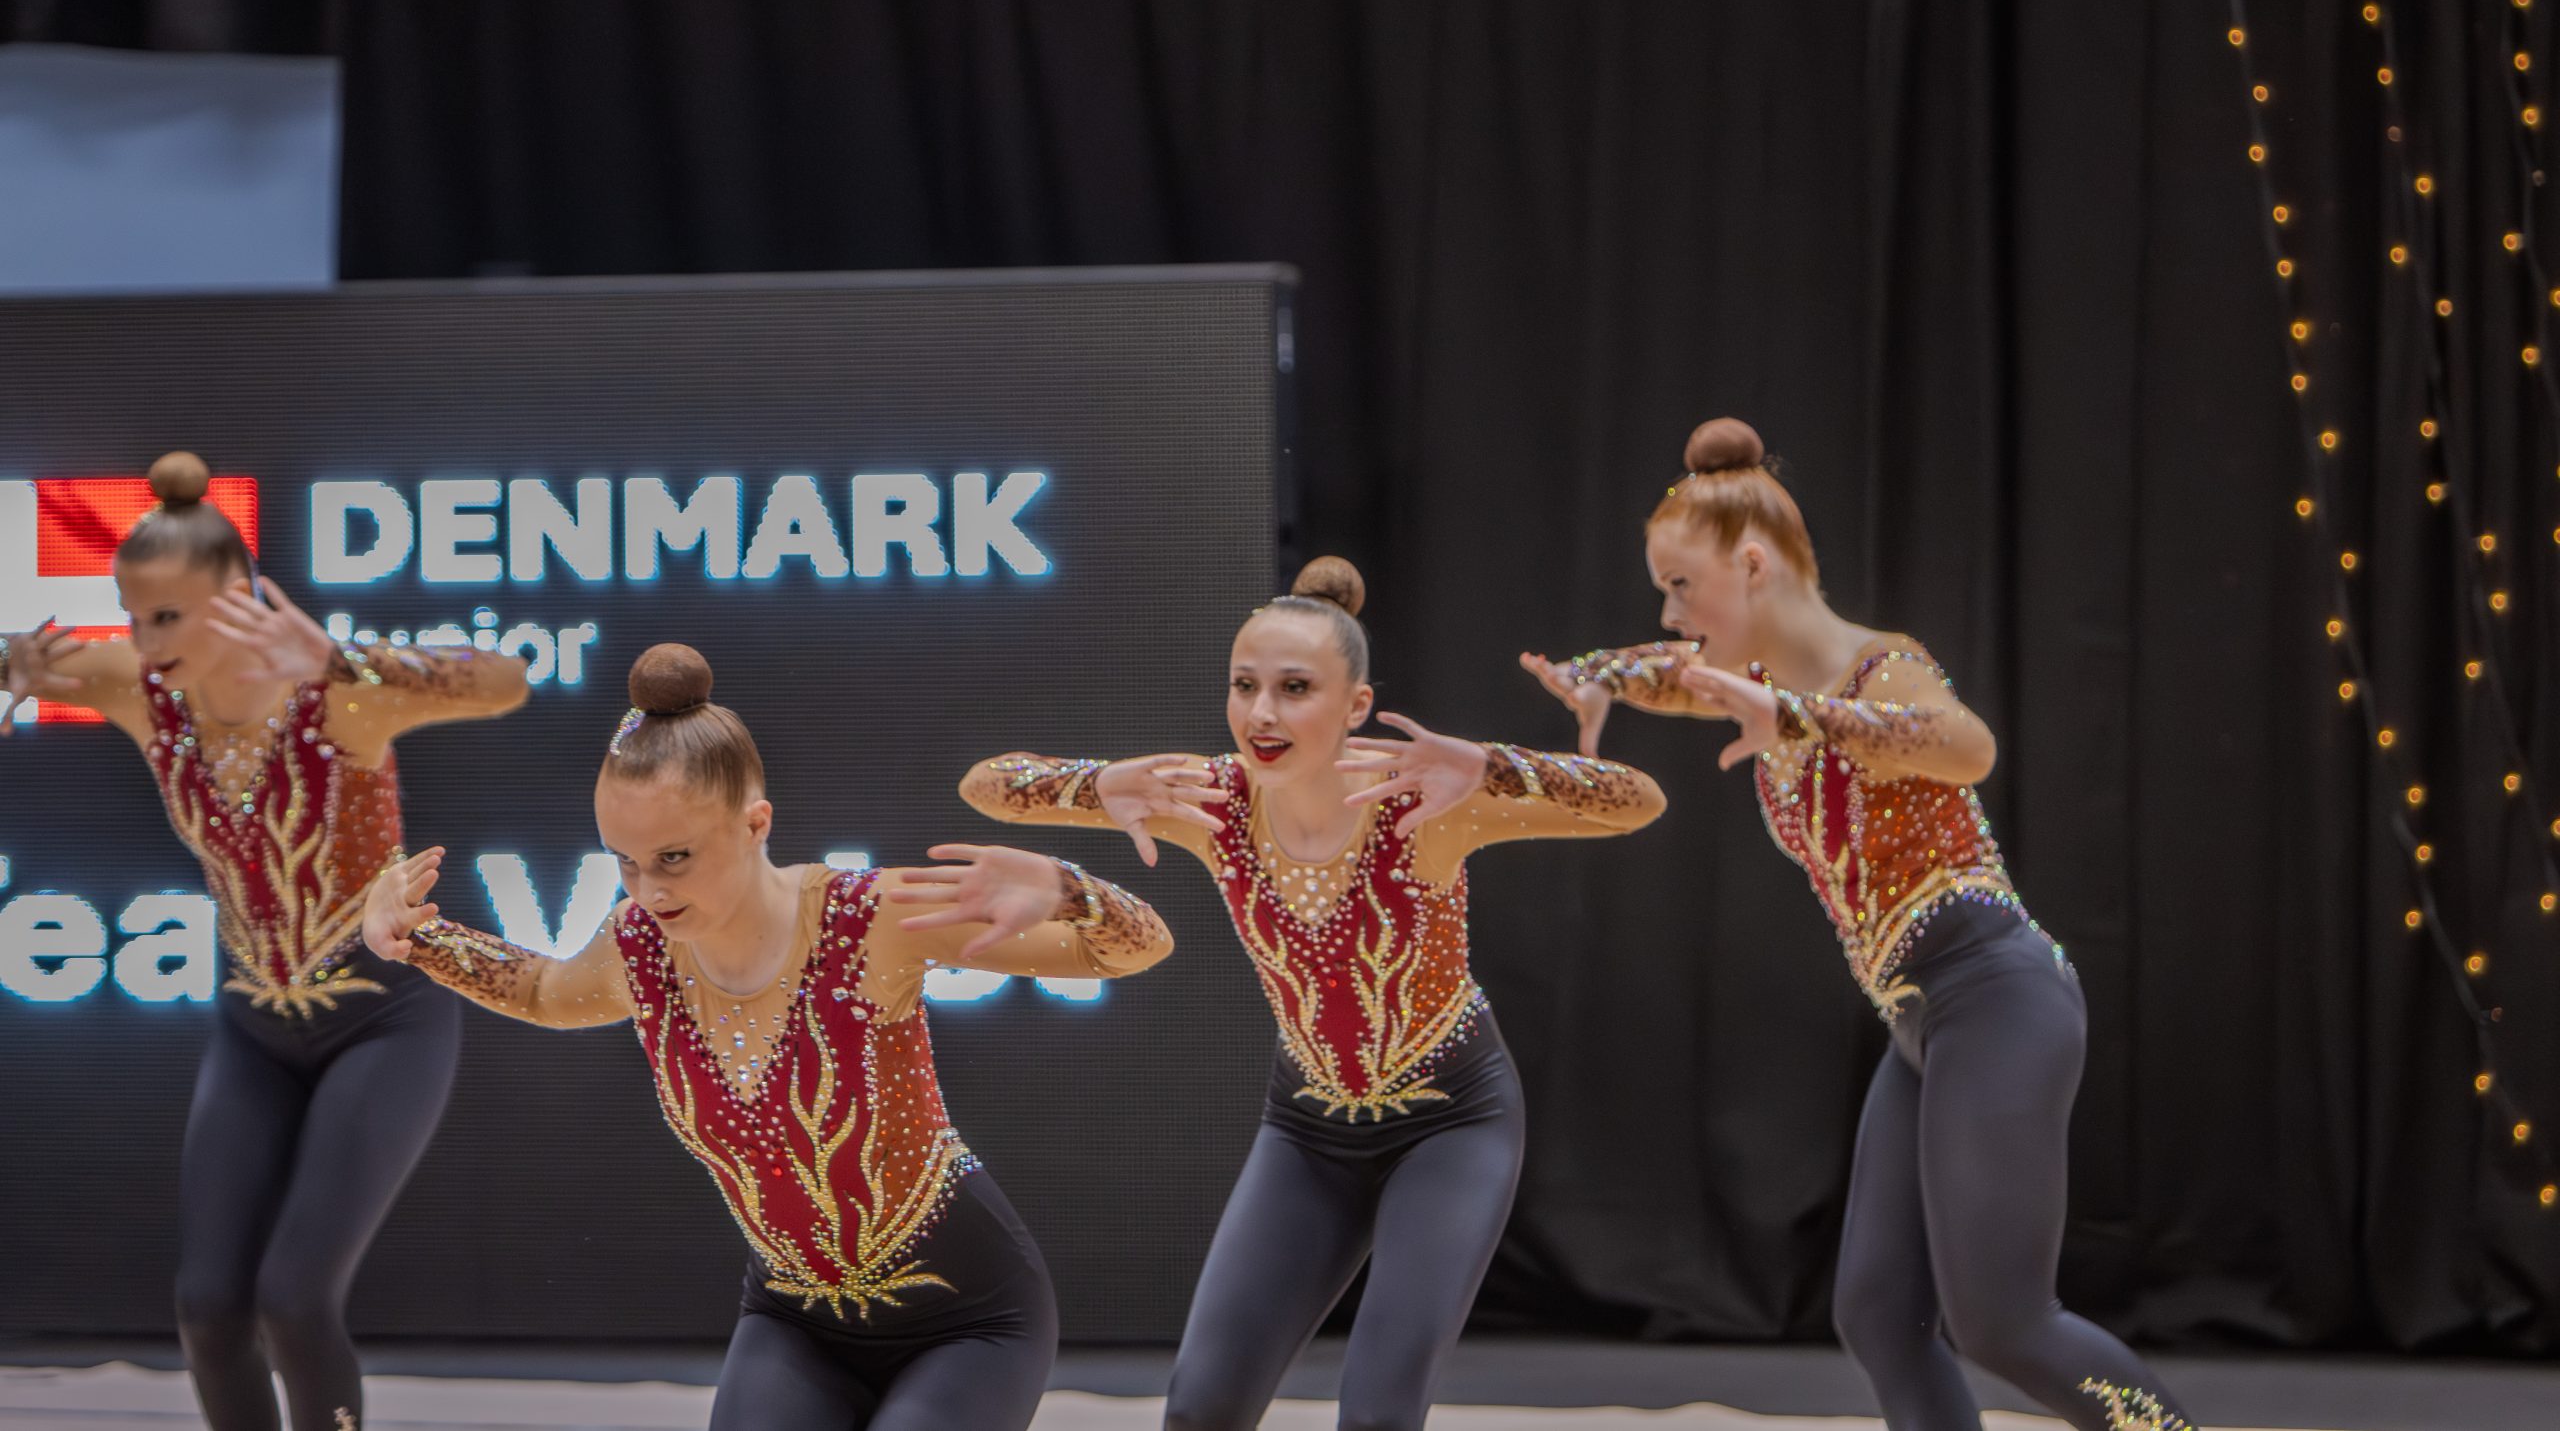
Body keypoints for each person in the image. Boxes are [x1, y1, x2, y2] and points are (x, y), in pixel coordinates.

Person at [1522, 417, 2194, 1431]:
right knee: (1880, 1313)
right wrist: (1597, 675)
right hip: (1923, 1020)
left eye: (1681, 586)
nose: (1670, 613)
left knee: (2004, 1323)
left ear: (1753, 566)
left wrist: (1805, 717)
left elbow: (1967, 746)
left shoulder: (1881, 670)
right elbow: (1673, 672)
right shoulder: (1758, 688)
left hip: (1997, 995)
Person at [364, 642, 1173, 1430]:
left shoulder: (871, 918)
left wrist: (1072, 889)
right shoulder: (639, 947)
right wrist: (417, 937)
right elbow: (545, 991)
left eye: (674, 856)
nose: (649, 889)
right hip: (795, 1322)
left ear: (756, 823)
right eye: (625, 861)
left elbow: (1139, 947)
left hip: (971, 1320)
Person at [959, 556, 1665, 1431]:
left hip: (1452, 1124)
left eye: (1294, 688)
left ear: (1356, 704)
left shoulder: (1422, 801)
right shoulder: (1210, 800)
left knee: (1376, 1418)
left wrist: (1493, 767)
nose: (1261, 712)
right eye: (1244, 685)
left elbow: (1637, 800)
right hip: (1308, 1130)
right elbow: (985, 783)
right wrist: (1092, 785)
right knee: (1200, 1413)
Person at [0, 452, 529, 1431]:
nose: (144, 641)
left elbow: (506, 680)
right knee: (208, 1308)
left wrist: (339, 657)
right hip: (253, 1028)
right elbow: (18, 658)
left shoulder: (339, 696)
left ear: (240, 599)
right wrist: (18, 667)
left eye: (168, 616)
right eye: (133, 616)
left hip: (384, 1021)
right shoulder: (140, 688)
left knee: (293, 1297)